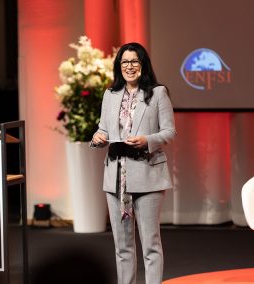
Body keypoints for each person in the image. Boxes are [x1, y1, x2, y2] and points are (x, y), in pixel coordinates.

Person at [91, 42, 176, 284]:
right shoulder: (110, 94)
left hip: (148, 174)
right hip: (116, 177)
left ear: (143, 65)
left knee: (150, 245)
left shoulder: (158, 93)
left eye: (134, 61)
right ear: (119, 66)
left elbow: (169, 132)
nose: (129, 66)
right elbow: (103, 129)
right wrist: (97, 138)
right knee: (122, 247)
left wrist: (147, 140)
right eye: (125, 62)